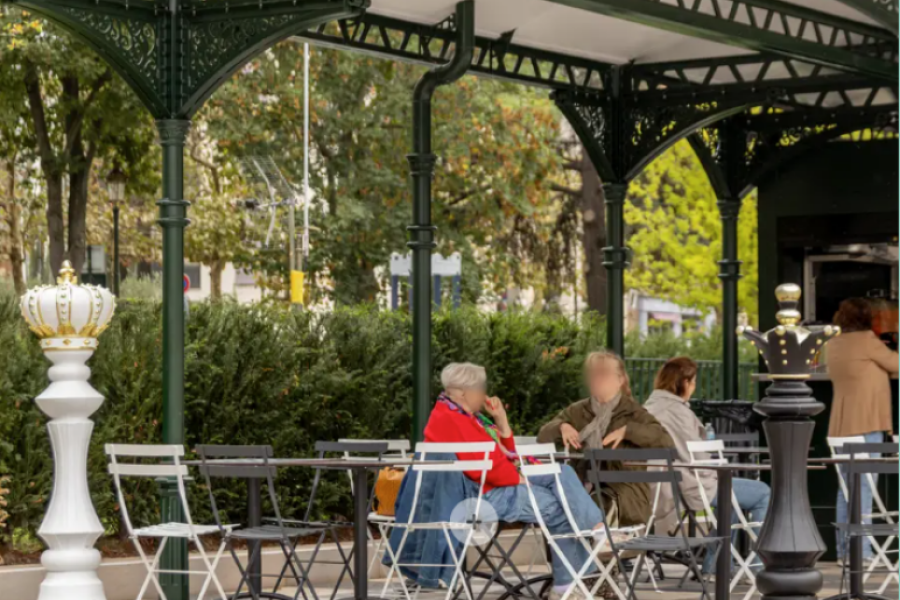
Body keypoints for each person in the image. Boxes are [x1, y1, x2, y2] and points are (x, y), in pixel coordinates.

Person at [424, 362, 605, 600]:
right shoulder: (454, 420)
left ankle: (595, 534)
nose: (484, 393)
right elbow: (482, 467)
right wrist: (518, 478)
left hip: (490, 486)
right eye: (480, 388)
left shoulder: (463, 416)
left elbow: (504, 457)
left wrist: (502, 421)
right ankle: (572, 581)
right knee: (559, 506)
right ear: (465, 392)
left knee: (562, 474)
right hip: (481, 495)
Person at [643, 356, 770, 573]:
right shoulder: (679, 412)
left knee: (728, 496)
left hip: (659, 488)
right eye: (693, 383)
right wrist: (716, 468)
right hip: (686, 486)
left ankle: (717, 564)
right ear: (683, 383)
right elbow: (697, 458)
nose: (693, 388)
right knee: (763, 493)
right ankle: (760, 565)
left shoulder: (648, 407)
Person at [537, 350, 674, 527]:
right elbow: (542, 436)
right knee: (554, 504)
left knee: (588, 504)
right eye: (594, 373)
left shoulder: (633, 413)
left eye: (604, 374)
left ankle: (600, 546)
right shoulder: (578, 411)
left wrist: (628, 431)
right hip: (580, 485)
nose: (597, 379)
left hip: (624, 491)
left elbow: (666, 441)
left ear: (620, 380)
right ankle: (578, 551)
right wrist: (561, 426)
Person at [826, 298, 899, 561]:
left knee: (846, 491)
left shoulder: (833, 343)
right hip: (867, 424)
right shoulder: (867, 340)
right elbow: (895, 364)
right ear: (867, 317)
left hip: (840, 425)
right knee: (865, 489)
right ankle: (862, 552)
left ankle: (845, 551)